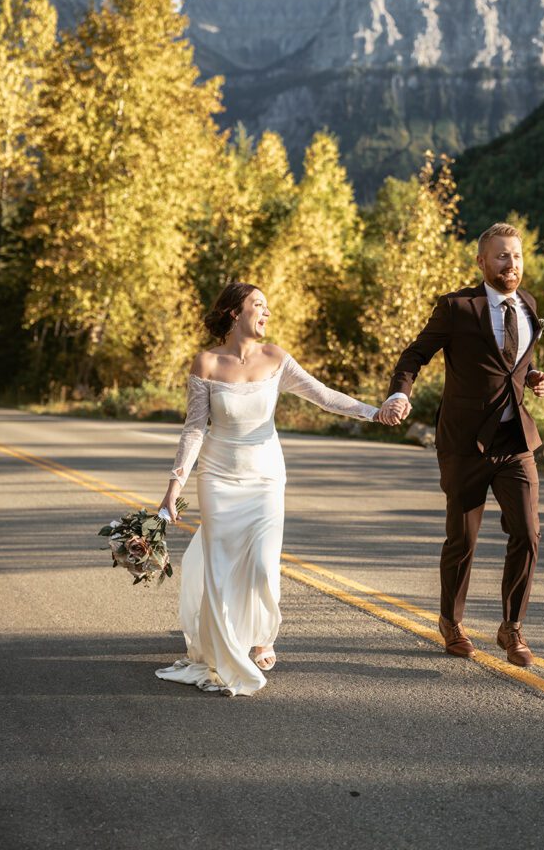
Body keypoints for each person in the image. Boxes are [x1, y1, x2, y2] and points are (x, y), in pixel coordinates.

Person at [155, 282, 386, 696]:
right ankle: (230, 653)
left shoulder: (276, 358)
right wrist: (174, 486)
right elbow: (194, 429)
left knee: (262, 566)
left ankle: (263, 634)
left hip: (264, 478)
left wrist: (374, 412)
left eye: (267, 306)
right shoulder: (206, 364)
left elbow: (325, 396)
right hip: (217, 477)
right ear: (233, 313)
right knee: (222, 572)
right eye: (258, 305)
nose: (267, 312)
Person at [378, 222, 544, 667]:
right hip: (464, 443)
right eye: (501, 256)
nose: (511, 265)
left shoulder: (528, 304)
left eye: (516, 256)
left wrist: (532, 377)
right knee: (463, 539)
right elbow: (415, 355)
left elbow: (517, 359)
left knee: (528, 534)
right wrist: (400, 393)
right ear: (481, 262)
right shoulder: (457, 307)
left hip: (515, 440)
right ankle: (451, 623)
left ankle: (511, 628)